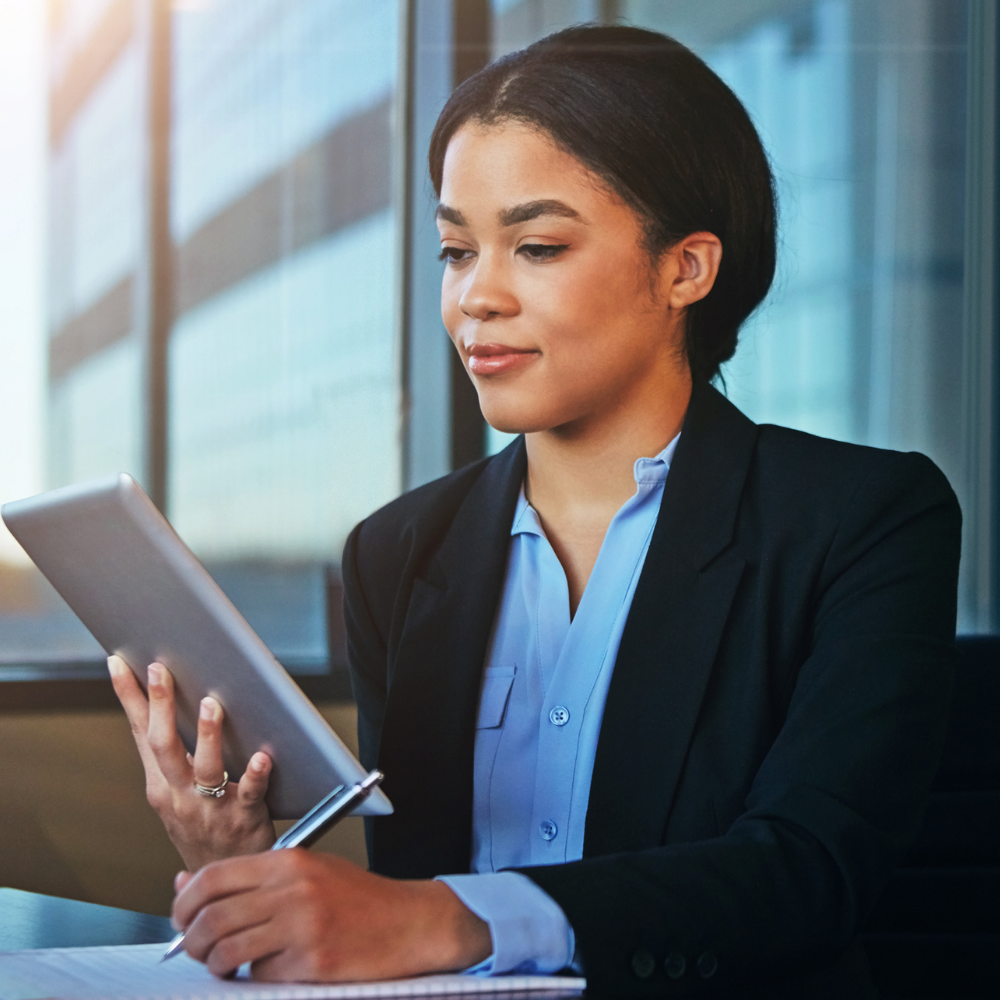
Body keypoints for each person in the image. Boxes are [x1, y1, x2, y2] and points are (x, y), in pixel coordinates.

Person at [108, 25, 961, 997]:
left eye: (537, 245)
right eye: (456, 250)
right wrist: (242, 857)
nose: (476, 297)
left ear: (685, 268)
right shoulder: (397, 552)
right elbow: (402, 908)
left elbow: (808, 873)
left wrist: (449, 913)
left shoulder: (862, 519)